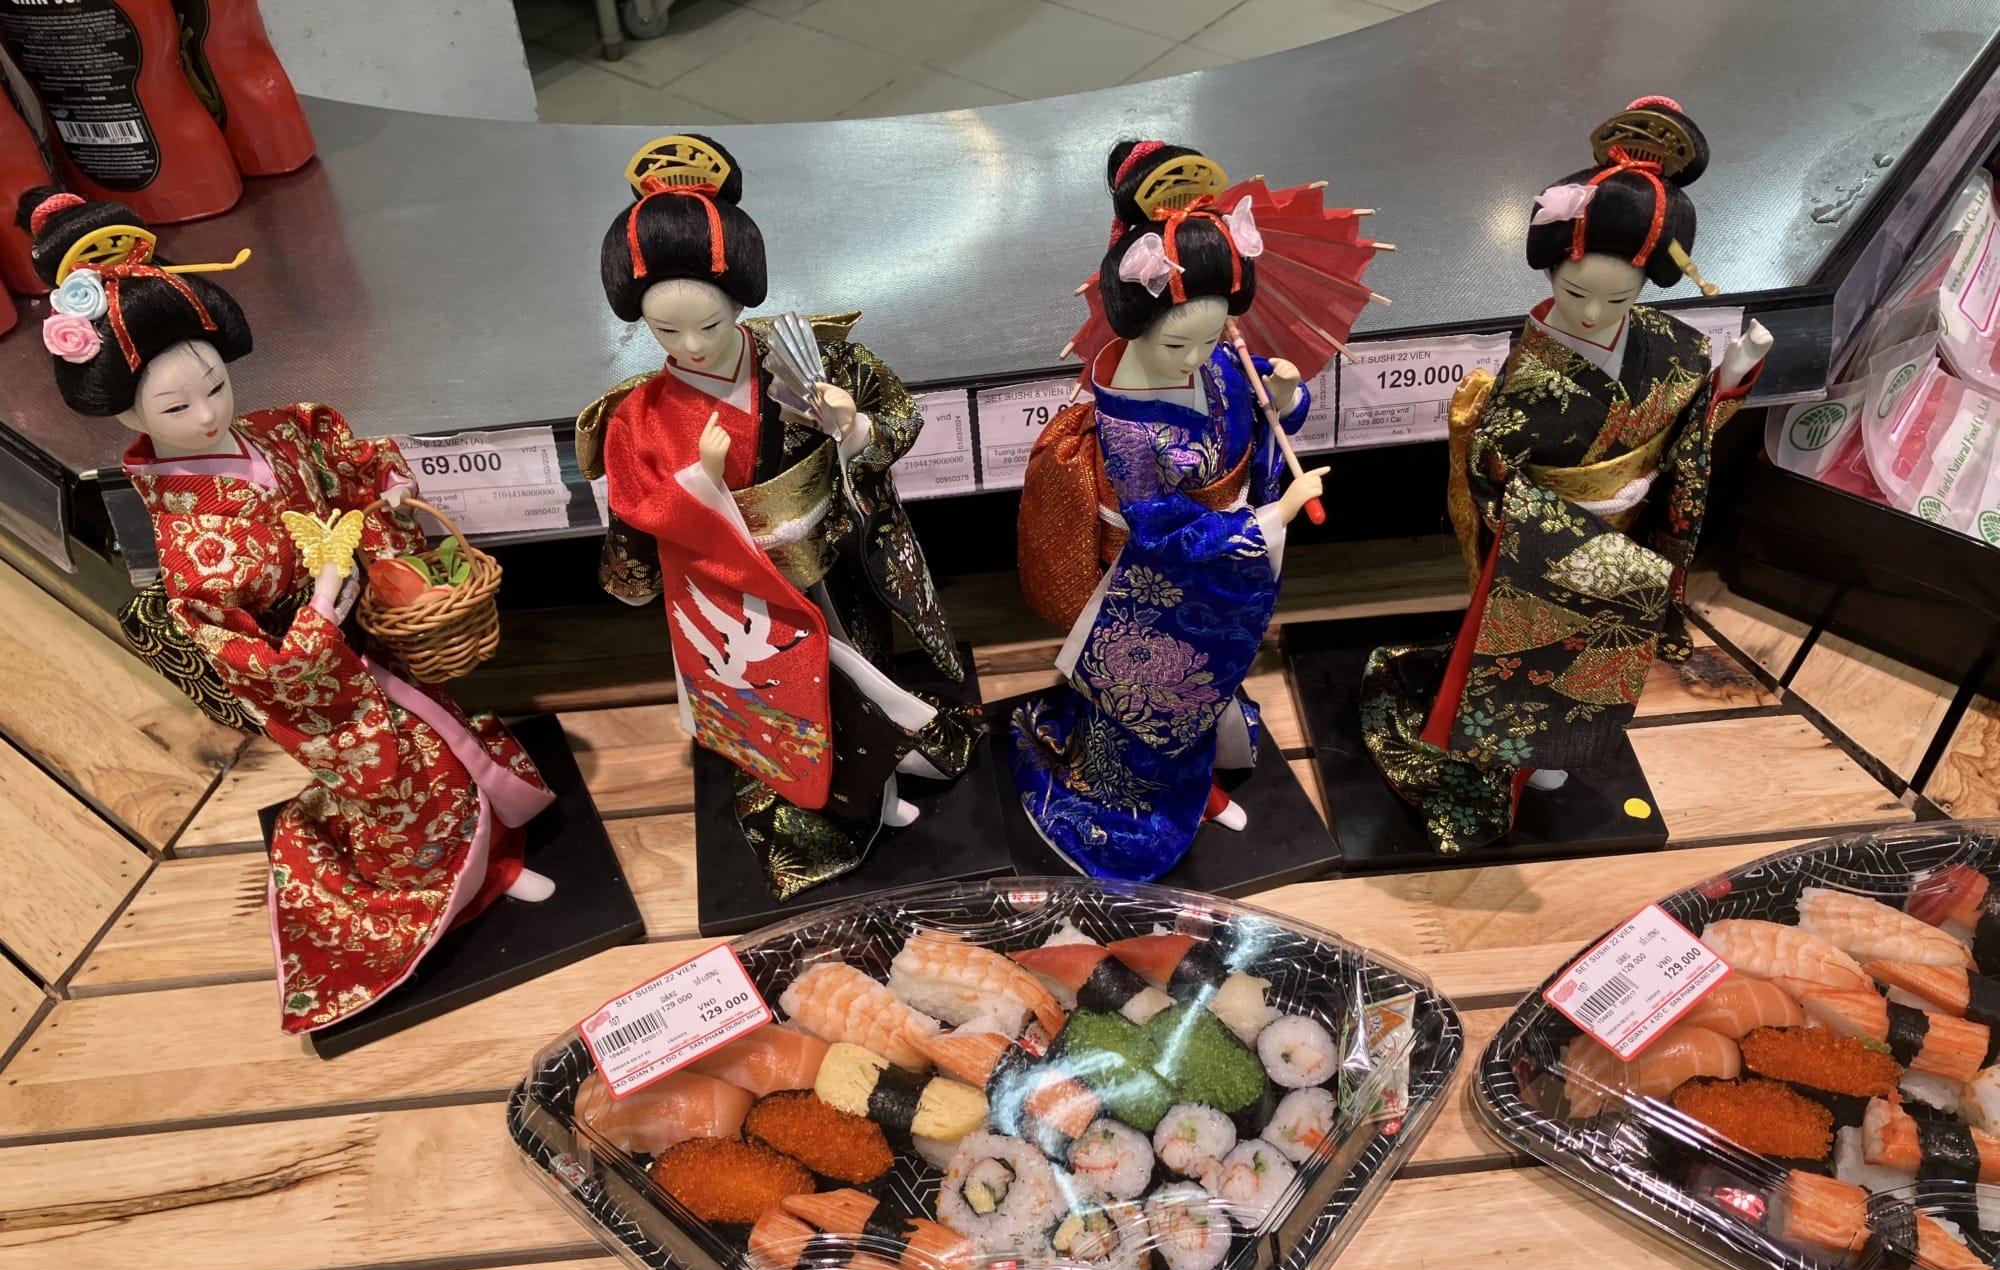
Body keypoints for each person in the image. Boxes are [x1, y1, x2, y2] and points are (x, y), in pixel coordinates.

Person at [18, 185, 555, 1033]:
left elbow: (341, 458)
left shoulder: (271, 433)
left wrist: (382, 490)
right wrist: (322, 606)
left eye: (215, 385)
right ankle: (450, 897)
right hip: (322, 675)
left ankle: (492, 860)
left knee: (449, 746)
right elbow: (248, 661)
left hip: (373, 637)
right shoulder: (192, 544)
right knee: (404, 791)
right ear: (123, 412)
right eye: (175, 407)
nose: (208, 414)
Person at [1359, 98, 1772, 857]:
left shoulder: (1672, 347)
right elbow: (1491, 473)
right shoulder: (1528, 376)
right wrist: (1559, 527)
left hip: (1626, 537)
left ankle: (1554, 758)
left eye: (1619, 298)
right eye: (1576, 292)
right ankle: (1505, 768)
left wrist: (1731, 378)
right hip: (1540, 549)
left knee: (1593, 664)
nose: (1591, 313)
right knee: (1523, 667)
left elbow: (1687, 436)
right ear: (1552, 269)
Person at [578, 134, 973, 902]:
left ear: (740, 301)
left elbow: (903, 419)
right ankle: (835, 811)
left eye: (709, 325)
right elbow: (634, 525)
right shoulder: (638, 417)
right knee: (790, 711)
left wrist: (851, 428)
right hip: (737, 599)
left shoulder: (816, 360)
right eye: (666, 333)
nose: (692, 346)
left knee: (861, 685)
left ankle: (880, 788)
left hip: (833, 566)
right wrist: (698, 486)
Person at [1008, 139, 1326, 883]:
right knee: (1153, 706)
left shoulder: (1216, 361)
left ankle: (1202, 777)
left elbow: (1253, 422)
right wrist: (1272, 520)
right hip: (1151, 580)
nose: (1196, 357)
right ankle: (1167, 800)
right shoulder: (1125, 419)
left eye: (1212, 337)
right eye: (1178, 341)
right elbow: (1158, 525)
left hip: (1218, 559)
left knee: (1212, 679)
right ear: (1134, 321)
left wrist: (1284, 397)